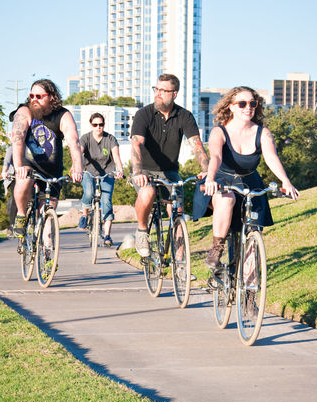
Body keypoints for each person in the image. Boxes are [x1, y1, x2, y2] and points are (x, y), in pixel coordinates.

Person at [193, 86, 299, 269]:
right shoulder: (220, 132)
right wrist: (210, 179)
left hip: (250, 182)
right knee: (226, 199)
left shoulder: (262, 132)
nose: (248, 107)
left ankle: (248, 290)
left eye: (252, 103)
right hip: (221, 180)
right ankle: (216, 251)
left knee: (252, 233)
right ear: (231, 107)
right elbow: (216, 158)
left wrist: (285, 181)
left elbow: (271, 157)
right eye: (242, 104)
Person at [130, 73, 209, 257]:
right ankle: (142, 231)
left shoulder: (184, 116)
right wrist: (137, 172)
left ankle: (181, 264)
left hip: (170, 172)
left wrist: (207, 171)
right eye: (156, 89)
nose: (158, 93)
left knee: (177, 213)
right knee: (147, 192)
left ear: (174, 93)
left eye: (163, 90)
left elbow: (196, 145)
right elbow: (136, 144)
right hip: (145, 170)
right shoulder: (144, 114)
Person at [9, 79, 83, 237]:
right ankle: (21, 215)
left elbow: (74, 140)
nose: (33, 99)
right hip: (28, 166)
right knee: (24, 179)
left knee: (48, 210)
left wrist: (77, 167)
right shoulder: (25, 111)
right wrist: (19, 166)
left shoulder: (62, 115)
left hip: (52, 171)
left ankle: (48, 253)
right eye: (31, 95)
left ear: (51, 97)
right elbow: (17, 137)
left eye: (39, 96)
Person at [78, 112, 124, 247]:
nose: (98, 127)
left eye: (101, 124)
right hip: (88, 172)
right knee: (89, 193)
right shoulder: (85, 138)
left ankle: (107, 235)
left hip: (107, 173)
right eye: (95, 124)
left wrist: (120, 170)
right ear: (91, 125)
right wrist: (76, 166)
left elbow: (116, 156)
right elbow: (79, 152)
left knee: (106, 201)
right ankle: (85, 215)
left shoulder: (110, 139)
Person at [1, 145, 17, 236]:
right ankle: (12, 224)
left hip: (29, 176)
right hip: (14, 176)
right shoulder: (12, 149)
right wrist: (5, 171)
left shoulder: (31, 147)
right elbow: (6, 162)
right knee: (15, 197)